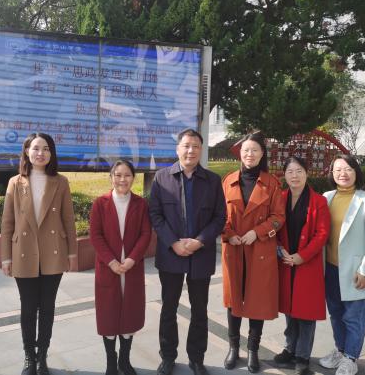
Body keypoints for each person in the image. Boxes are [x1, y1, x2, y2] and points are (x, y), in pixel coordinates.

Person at [149, 128, 226, 375]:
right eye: (186, 145)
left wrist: (200, 241)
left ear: (201, 150)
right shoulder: (161, 178)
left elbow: (219, 217)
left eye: (195, 146)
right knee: (168, 308)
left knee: (199, 310)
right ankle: (168, 357)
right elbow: (155, 215)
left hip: (200, 255)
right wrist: (173, 242)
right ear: (177, 149)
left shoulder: (212, 180)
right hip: (170, 254)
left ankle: (196, 358)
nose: (190, 150)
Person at [0, 133, 78, 375]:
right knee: (27, 307)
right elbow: (7, 222)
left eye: (46, 149)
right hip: (23, 252)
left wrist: (72, 254)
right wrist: (6, 257)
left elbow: (68, 219)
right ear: (27, 151)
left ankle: (42, 355)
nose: (40, 153)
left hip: (53, 252)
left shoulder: (61, 182)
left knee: (47, 307)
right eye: (35, 148)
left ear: (51, 153)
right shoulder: (15, 182)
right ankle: (29, 356)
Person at [221, 131, 285, 373]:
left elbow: (278, 217)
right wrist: (228, 234)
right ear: (240, 152)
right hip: (234, 248)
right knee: (233, 299)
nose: (249, 154)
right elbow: (218, 214)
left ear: (262, 154)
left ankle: (253, 350)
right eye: (246, 150)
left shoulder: (272, 183)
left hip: (260, 250)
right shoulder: (228, 181)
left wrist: (257, 232)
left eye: (255, 150)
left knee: (256, 300)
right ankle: (233, 348)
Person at [319, 154, 365, 375]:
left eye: (348, 169)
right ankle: (340, 350)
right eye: (338, 170)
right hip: (330, 268)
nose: (343, 174)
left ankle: (351, 357)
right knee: (336, 314)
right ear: (332, 173)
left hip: (355, 270)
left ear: (356, 172)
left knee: (354, 317)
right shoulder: (326, 197)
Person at [89, 160, 152, 375]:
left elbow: (146, 233)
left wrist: (132, 259)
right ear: (111, 177)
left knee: (130, 315)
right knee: (108, 316)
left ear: (133, 178)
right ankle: (111, 362)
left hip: (132, 268)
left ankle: (124, 361)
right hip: (108, 268)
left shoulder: (140, 204)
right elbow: (95, 235)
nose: (122, 179)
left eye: (127, 175)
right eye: (117, 175)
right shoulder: (100, 203)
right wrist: (112, 262)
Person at [273, 157, 331, 375]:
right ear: (285, 175)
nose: (294, 176)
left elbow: (322, 234)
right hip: (286, 261)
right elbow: (274, 228)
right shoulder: (280, 198)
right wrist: (280, 250)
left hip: (307, 264)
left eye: (299, 171)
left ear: (307, 173)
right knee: (290, 310)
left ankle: (302, 356)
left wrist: (301, 256)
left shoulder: (319, 201)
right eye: (290, 171)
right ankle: (290, 348)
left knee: (306, 314)